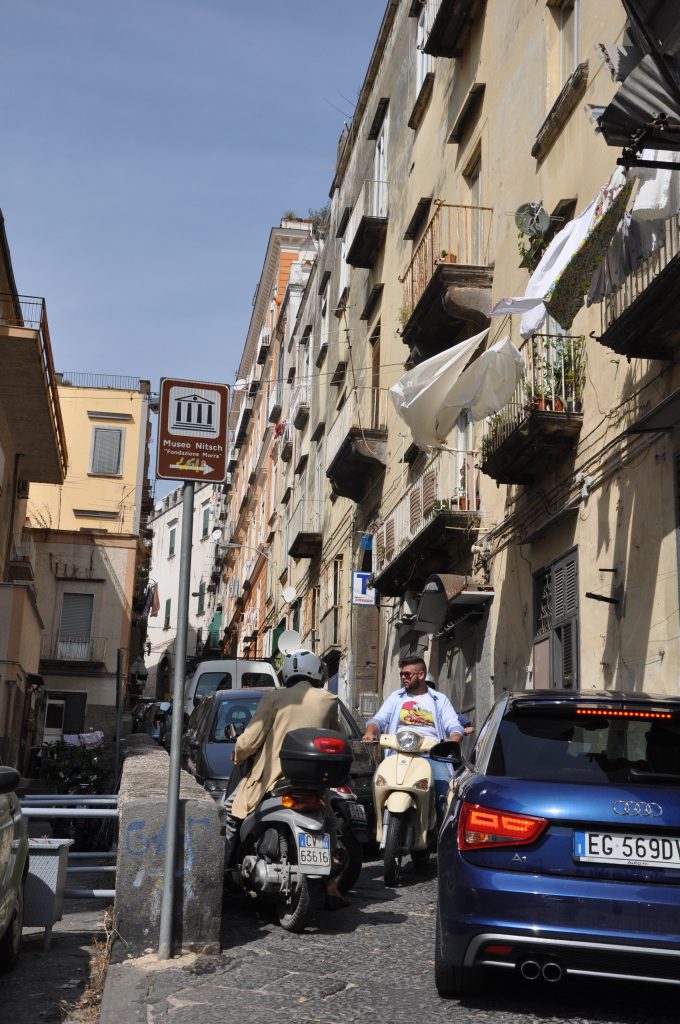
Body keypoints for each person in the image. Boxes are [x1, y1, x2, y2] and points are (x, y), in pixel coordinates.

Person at [224, 648, 349, 906]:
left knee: (230, 811)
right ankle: (331, 885)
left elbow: (252, 738)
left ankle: (224, 873)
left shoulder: (276, 697)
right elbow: (336, 736)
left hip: (274, 776)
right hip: (316, 783)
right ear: (317, 673)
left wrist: (238, 752)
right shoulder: (330, 700)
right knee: (329, 824)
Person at [361, 655, 464, 823]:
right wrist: (371, 731)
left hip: (431, 753)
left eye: (407, 674)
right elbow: (378, 719)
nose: (403, 677)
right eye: (402, 674)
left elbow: (454, 724)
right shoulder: (396, 697)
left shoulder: (439, 700)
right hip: (398, 752)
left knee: (445, 790)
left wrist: (453, 738)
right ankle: (377, 825)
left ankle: (442, 836)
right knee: (378, 784)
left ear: (421, 675)